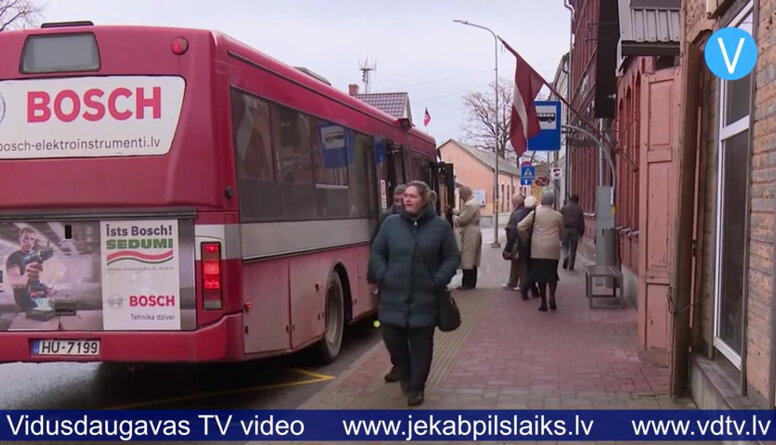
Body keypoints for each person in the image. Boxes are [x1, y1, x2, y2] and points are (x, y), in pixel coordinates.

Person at [368, 180, 460, 406]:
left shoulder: (440, 226)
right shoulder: (390, 224)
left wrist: (438, 279)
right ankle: (405, 374)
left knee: (421, 346)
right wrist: (383, 274)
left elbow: (452, 256)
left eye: (412, 196)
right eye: (405, 196)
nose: (406, 199)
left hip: (425, 296)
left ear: (424, 200)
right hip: (393, 295)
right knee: (393, 340)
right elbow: (377, 252)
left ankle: (417, 387)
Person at [518, 192, 564, 311]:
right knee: (552, 274)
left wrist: (528, 237)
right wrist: (558, 238)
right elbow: (562, 232)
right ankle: (552, 298)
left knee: (540, 276)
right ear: (552, 202)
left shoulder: (534, 214)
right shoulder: (558, 215)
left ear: (542, 201)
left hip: (538, 249)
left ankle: (543, 303)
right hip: (553, 248)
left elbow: (520, 227)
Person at [5, 227, 52, 313]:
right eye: (26, 239)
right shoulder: (14, 258)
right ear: (20, 239)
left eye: (32, 239)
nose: (29, 242)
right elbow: (14, 281)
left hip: (40, 305)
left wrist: (45, 289)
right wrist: (27, 276)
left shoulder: (35, 257)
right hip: (25, 308)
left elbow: (38, 279)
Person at [503, 193, 538, 298]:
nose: (511, 203)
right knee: (520, 263)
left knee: (520, 263)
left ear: (516, 202)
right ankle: (516, 283)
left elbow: (513, 230)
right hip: (531, 242)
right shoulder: (534, 212)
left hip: (518, 242)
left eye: (513, 201)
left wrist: (508, 247)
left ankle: (521, 284)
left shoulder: (518, 213)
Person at [451, 186, 482, 290]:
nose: (460, 197)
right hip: (474, 230)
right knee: (473, 258)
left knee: (467, 257)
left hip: (469, 232)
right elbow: (463, 213)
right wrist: (454, 211)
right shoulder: (474, 202)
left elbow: (462, 219)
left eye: (461, 194)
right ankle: (471, 283)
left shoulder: (469, 204)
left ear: (465, 194)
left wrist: (453, 217)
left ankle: (467, 284)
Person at [560, 194, 585, 271]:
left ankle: (566, 256)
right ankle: (571, 266)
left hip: (565, 229)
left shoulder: (564, 208)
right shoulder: (579, 209)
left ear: (570, 200)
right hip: (575, 230)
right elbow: (582, 222)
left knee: (565, 246)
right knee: (573, 248)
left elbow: (559, 218)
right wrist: (581, 234)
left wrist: (559, 231)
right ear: (577, 200)